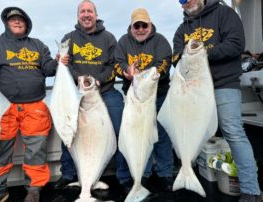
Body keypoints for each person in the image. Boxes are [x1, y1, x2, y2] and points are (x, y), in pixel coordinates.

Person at [0, 7, 68, 202]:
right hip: (3, 108)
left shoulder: (38, 45)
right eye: (13, 19)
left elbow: (48, 69)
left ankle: (34, 189)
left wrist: (57, 61)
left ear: (27, 23)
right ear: (6, 22)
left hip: (35, 106)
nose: (17, 22)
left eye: (21, 19)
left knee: (36, 151)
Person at [173, 0, 262, 201]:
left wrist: (203, 52)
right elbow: (177, 56)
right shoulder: (181, 30)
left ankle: (251, 190)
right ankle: (192, 174)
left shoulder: (225, 14)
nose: (189, 1)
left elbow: (236, 44)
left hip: (224, 84)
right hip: (194, 91)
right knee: (192, 132)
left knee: (233, 132)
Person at [53, 0, 125, 194]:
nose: (86, 15)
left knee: (120, 129)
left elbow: (114, 66)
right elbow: (65, 65)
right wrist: (79, 79)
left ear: (96, 15)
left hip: (106, 91)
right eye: (82, 11)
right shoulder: (68, 38)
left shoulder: (109, 38)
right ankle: (68, 175)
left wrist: (98, 81)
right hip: (76, 95)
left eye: (89, 11)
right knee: (68, 131)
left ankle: (123, 175)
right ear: (78, 16)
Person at [114, 8, 174, 193]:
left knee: (162, 136)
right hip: (134, 100)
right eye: (136, 26)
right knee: (139, 136)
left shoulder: (160, 41)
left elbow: (165, 62)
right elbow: (117, 64)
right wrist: (126, 72)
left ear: (150, 25)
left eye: (144, 25)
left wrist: (151, 73)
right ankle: (144, 175)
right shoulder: (123, 42)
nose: (140, 29)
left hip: (160, 96)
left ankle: (165, 174)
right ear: (131, 27)